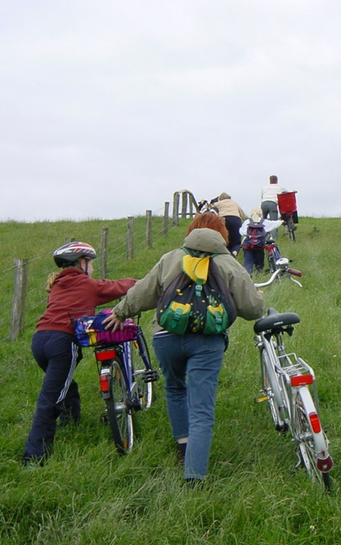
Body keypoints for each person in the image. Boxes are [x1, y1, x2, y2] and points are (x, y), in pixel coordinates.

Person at [105, 213, 265, 481]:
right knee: (202, 408)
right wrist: (259, 301)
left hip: (166, 338)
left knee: (175, 388)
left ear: (191, 232)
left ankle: (183, 448)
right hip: (207, 341)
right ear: (222, 235)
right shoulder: (228, 262)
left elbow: (143, 292)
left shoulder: (170, 258)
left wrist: (120, 312)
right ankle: (194, 476)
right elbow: (251, 309)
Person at [23, 242, 136, 465]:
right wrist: (142, 283)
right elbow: (116, 287)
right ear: (82, 263)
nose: (92, 270)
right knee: (50, 399)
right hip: (62, 342)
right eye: (91, 264)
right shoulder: (88, 284)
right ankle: (34, 457)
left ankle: (71, 422)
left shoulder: (57, 285)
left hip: (39, 341)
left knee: (63, 384)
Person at [241, 207, 283, 275]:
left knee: (248, 262)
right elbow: (273, 224)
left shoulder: (247, 222)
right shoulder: (264, 222)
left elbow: (241, 232)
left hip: (248, 246)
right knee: (259, 263)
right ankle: (258, 274)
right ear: (261, 214)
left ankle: (248, 275)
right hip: (259, 245)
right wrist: (281, 222)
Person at [212, 193, 247, 257]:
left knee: (223, 240)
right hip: (235, 220)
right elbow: (243, 215)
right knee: (236, 242)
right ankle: (234, 253)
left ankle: (224, 256)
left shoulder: (217, 204)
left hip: (223, 220)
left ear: (220, 199)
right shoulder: (234, 203)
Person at [261, 175, 288, 241]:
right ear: (277, 180)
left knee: (262, 221)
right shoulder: (280, 187)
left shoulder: (264, 187)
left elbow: (262, 197)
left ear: (269, 180)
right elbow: (287, 193)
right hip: (273, 203)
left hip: (264, 203)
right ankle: (273, 239)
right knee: (273, 222)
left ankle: (260, 236)